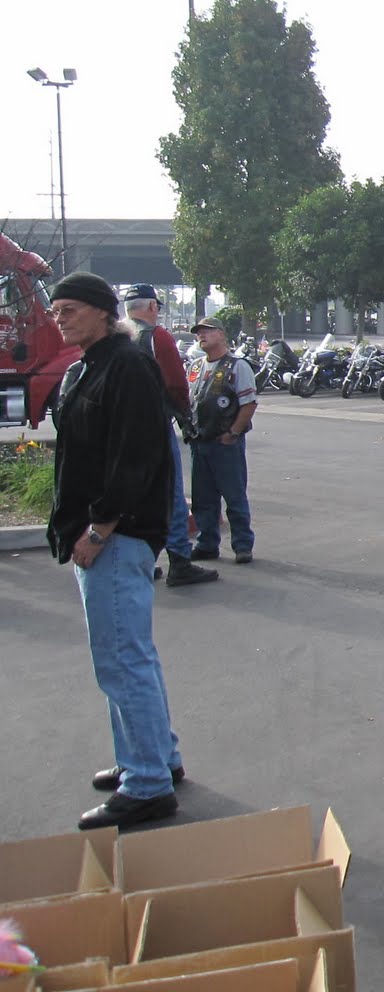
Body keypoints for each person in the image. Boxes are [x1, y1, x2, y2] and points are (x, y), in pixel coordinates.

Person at [46, 272, 185, 830]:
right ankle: (154, 758)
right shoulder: (91, 365)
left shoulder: (126, 366)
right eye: (56, 310)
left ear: (104, 312)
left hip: (115, 536)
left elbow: (137, 457)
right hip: (102, 533)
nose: (60, 318)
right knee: (131, 657)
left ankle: (147, 784)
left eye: (70, 309)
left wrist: (100, 528)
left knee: (121, 660)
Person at [123, 283, 217, 587]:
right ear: (152, 306)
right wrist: (184, 414)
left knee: (135, 495)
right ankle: (179, 560)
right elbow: (176, 383)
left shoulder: (116, 335)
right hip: (153, 424)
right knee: (172, 494)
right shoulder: (157, 337)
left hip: (121, 428)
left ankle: (142, 561)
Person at [188, 317, 258, 562]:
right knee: (203, 498)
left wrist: (233, 433)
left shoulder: (237, 366)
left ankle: (242, 545)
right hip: (200, 441)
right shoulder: (195, 366)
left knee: (234, 496)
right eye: (198, 332)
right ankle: (207, 544)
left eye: (207, 331)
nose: (201, 335)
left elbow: (249, 404)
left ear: (221, 334)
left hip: (225, 443)